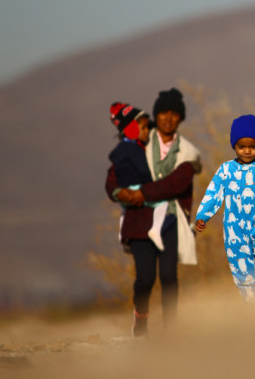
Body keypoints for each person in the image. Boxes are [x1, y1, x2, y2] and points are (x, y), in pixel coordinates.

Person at [105, 88, 201, 336]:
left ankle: (170, 329)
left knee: (169, 275)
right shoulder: (138, 143)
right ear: (155, 116)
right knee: (145, 277)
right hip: (139, 222)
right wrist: (119, 193)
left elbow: (176, 183)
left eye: (174, 114)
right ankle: (141, 318)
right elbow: (113, 177)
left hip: (170, 219)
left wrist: (142, 193)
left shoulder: (187, 153)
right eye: (163, 113)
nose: (168, 119)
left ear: (180, 118)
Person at [194, 115, 255, 303]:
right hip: (235, 231)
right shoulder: (226, 170)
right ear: (234, 146)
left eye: (252, 146)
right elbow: (214, 193)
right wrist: (203, 215)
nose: (247, 151)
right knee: (243, 274)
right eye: (241, 146)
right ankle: (252, 311)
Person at [107, 102, 168, 248]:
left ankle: (123, 233)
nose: (147, 132)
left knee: (125, 209)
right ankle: (156, 230)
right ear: (133, 129)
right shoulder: (136, 150)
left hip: (127, 195)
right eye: (144, 128)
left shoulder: (120, 150)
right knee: (164, 202)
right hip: (138, 191)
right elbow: (145, 170)